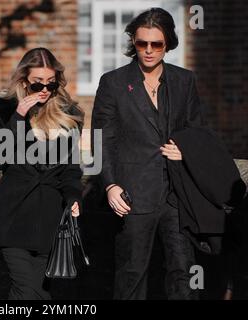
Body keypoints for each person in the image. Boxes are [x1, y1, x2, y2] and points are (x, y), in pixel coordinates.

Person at [91, 8, 203, 300]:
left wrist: (186, 151)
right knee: (132, 274)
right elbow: (102, 139)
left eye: (157, 44)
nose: (149, 51)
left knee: (184, 273)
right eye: (142, 44)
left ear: (168, 44)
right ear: (133, 42)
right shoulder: (113, 83)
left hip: (178, 193)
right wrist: (110, 184)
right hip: (133, 193)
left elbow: (197, 132)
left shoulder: (184, 81)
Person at [0, 47, 84, 299]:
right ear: (23, 80)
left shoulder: (68, 112)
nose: (44, 90)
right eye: (37, 84)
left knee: (42, 292)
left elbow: (71, 168)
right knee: (25, 289)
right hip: (14, 213)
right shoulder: (4, 107)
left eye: (51, 84)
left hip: (50, 215)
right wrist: (18, 117)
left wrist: (73, 197)